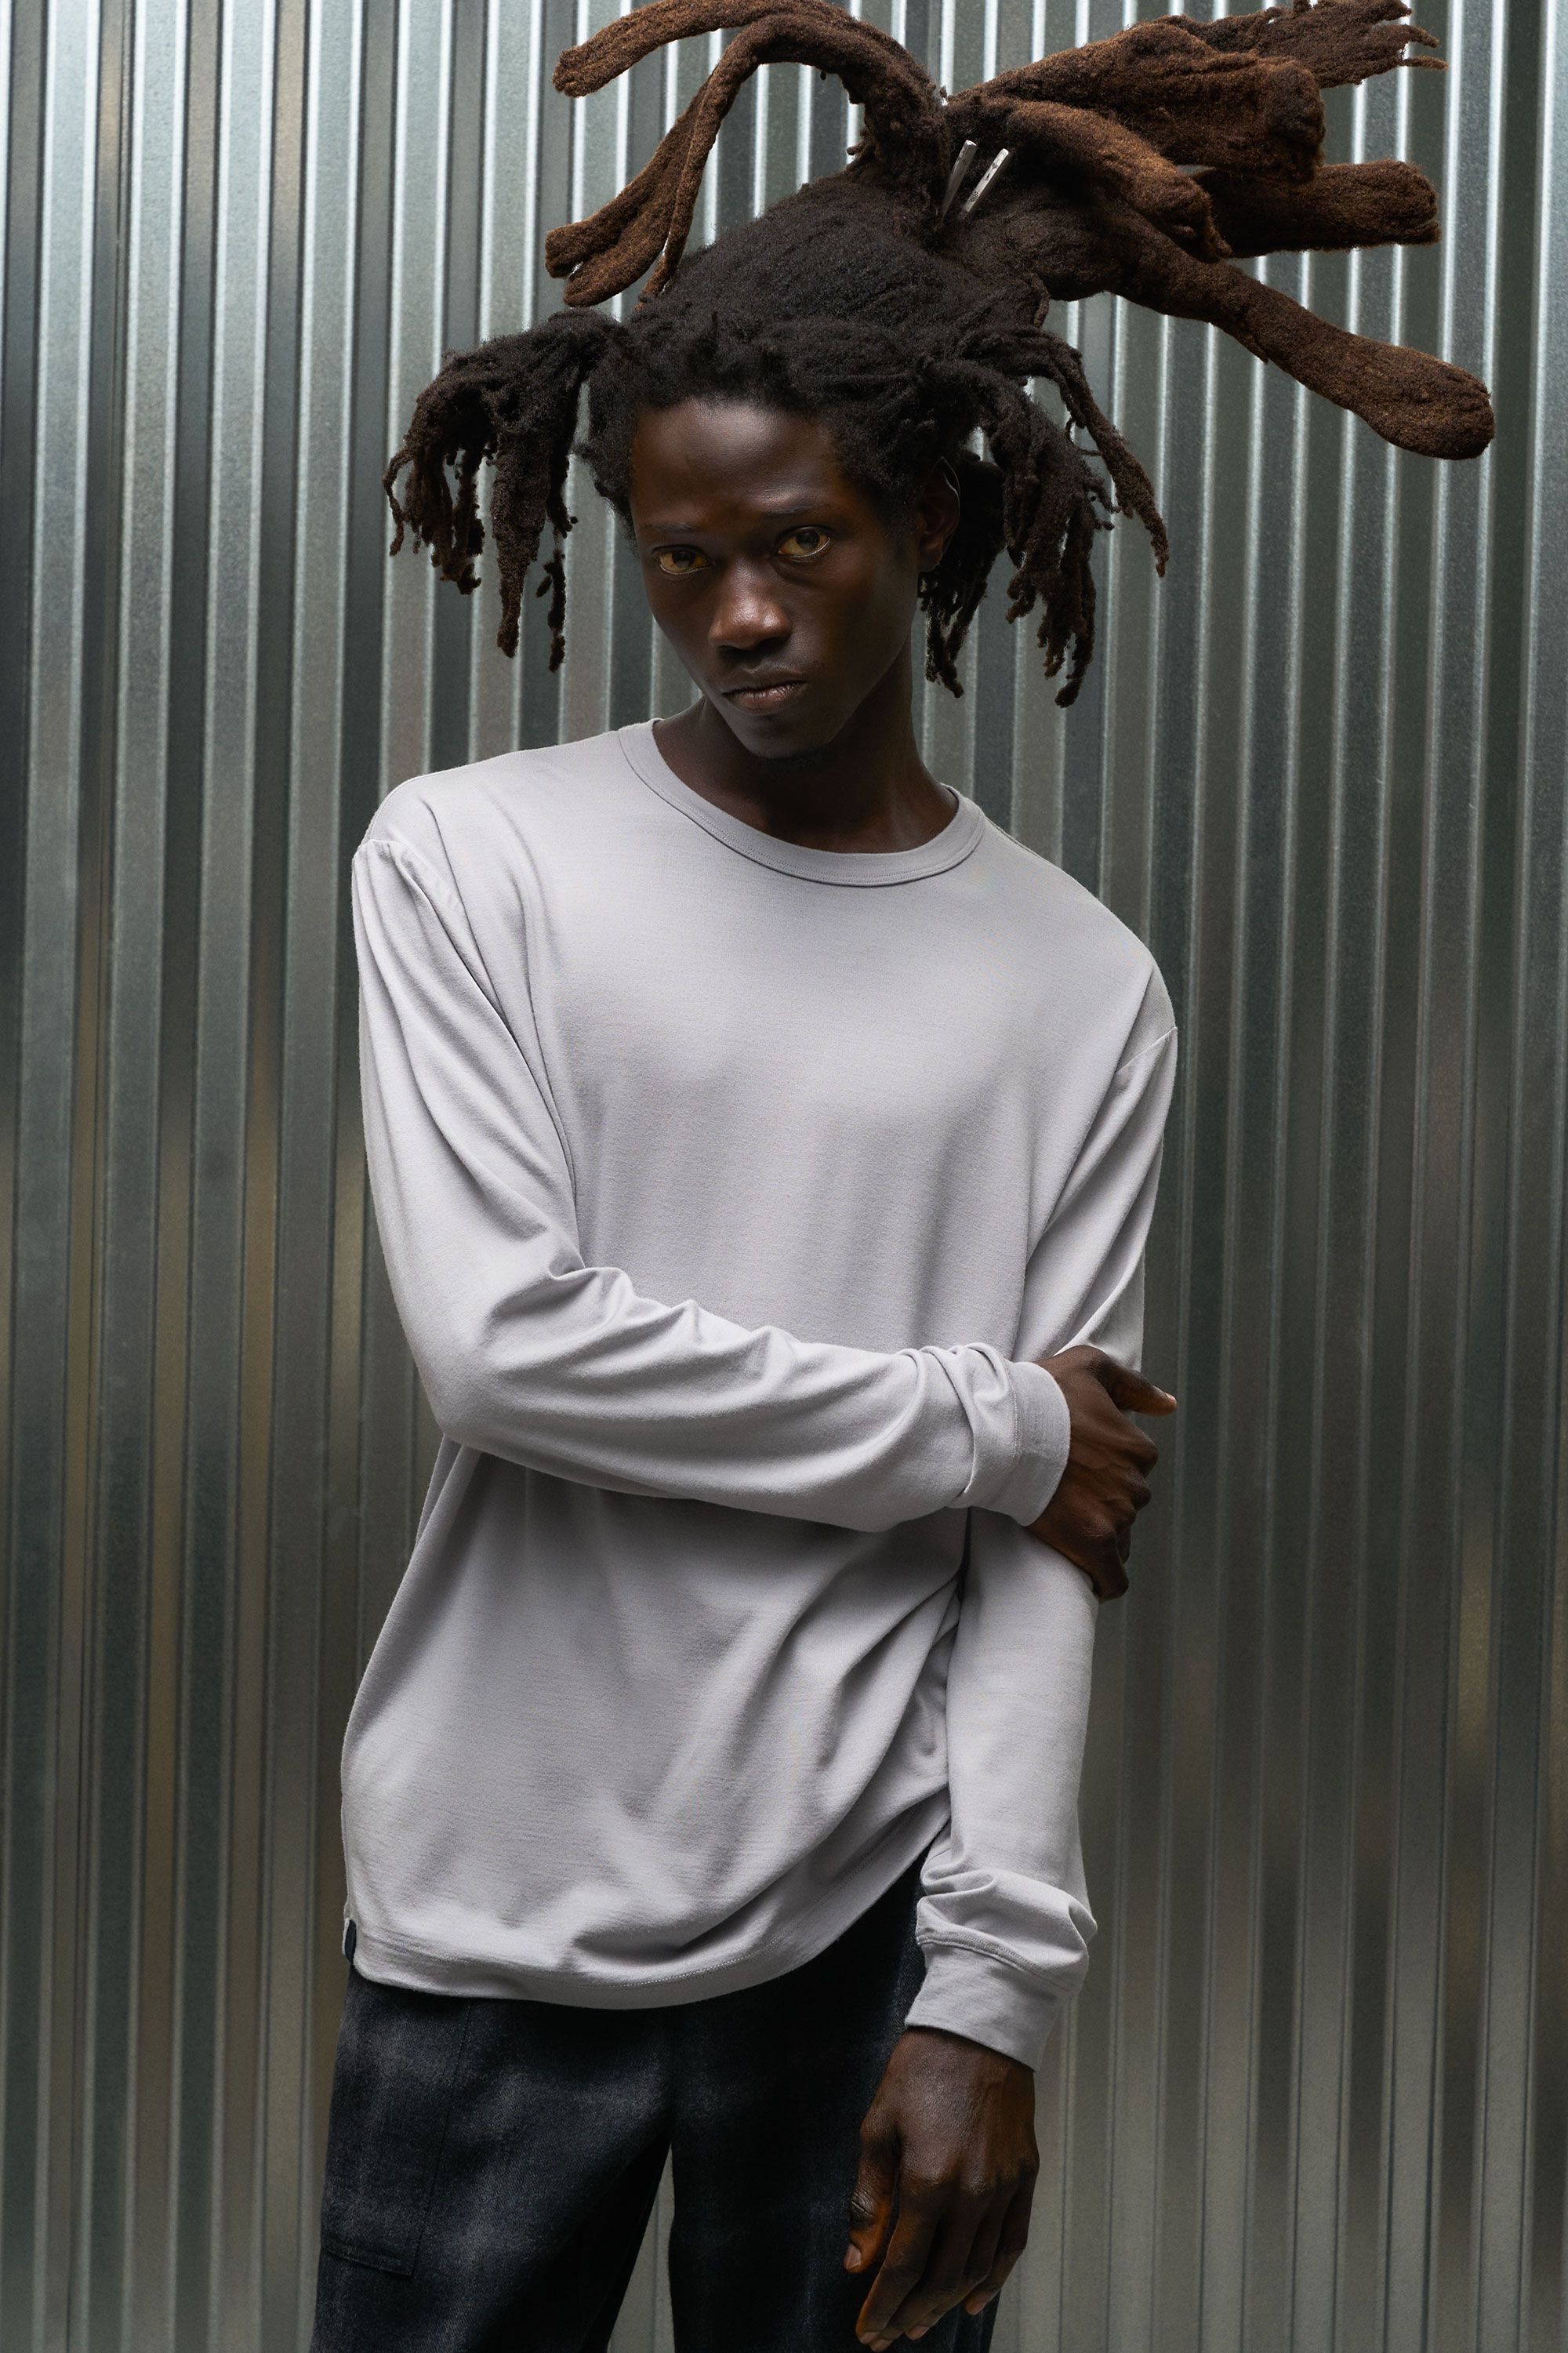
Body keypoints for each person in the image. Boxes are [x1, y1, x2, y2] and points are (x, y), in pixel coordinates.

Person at [311, 9, 1490, 2348]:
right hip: (490, 1907)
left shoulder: (1076, 982)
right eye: (684, 559)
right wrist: (991, 1424)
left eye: (801, 545)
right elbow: (505, 1352)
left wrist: (996, 1991)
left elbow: (1058, 1534)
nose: (741, 612)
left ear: (928, 522)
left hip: (873, 1942)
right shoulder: (472, 859)